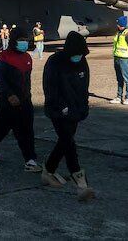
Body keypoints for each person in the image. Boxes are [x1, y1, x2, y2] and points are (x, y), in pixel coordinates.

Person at [41, 31, 94, 201]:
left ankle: (48, 170)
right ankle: (79, 181)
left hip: (76, 110)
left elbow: (84, 86)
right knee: (68, 142)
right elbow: (50, 88)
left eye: (81, 54)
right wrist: (61, 107)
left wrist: (83, 106)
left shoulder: (82, 61)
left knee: (65, 141)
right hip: (59, 111)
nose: (79, 57)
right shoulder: (55, 62)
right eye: (76, 54)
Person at [0, 26, 41, 172]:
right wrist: (10, 95)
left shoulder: (28, 57)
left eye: (25, 40)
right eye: (20, 40)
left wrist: (27, 97)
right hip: (7, 102)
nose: (24, 43)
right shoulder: (3, 57)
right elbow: (0, 81)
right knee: (1, 129)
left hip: (25, 101)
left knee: (27, 131)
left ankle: (30, 160)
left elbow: (27, 81)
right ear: (14, 41)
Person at [110, 16, 128, 105]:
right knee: (119, 78)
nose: (117, 25)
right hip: (117, 58)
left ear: (121, 24)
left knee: (126, 78)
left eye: (118, 23)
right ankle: (118, 97)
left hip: (124, 59)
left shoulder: (127, 34)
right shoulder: (119, 33)